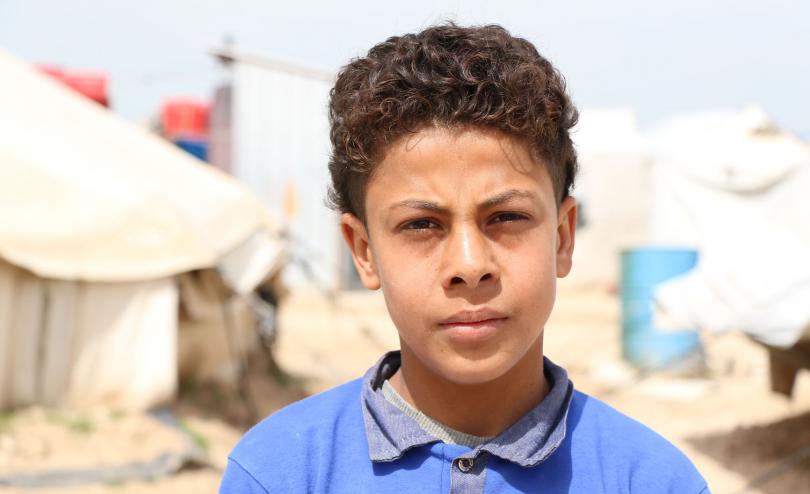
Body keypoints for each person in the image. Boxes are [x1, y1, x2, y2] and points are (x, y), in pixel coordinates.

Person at [220, 23, 709, 493]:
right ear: (364, 252)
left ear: (562, 237)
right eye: (421, 225)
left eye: (507, 217)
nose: (470, 265)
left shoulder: (652, 480)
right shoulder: (279, 473)